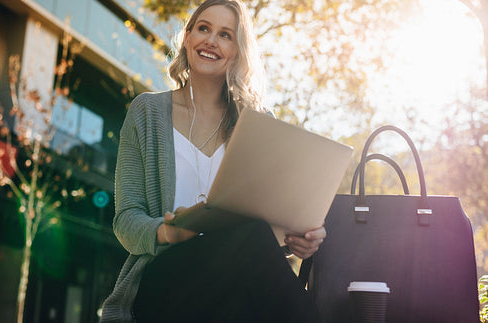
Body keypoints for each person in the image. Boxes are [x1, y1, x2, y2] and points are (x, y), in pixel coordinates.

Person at [100, 0, 326, 322]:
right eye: (203, 28)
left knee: (250, 246)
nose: (211, 41)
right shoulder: (147, 113)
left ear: (238, 51)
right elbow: (126, 221)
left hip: (237, 282)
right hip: (165, 279)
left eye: (225, 35)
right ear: (188, 37)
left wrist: (297, 241)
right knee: (249, 235)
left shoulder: (258, 123)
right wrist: (168, 233)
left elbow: (270, 226)